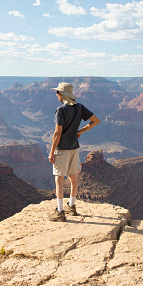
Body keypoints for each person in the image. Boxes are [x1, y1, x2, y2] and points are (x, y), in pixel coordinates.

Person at [48, 82, 100, 222]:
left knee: (59, 180)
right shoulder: (80, 107)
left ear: (63, 94)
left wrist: (51, 152)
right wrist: (80, 131)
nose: (56, 94)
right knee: (73, 178)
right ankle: (72, 207)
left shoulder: (61, 110)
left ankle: (60, 212)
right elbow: (95, 120)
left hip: (62, 149)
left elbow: (57, 133)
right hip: (74, 148)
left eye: (58, 92)